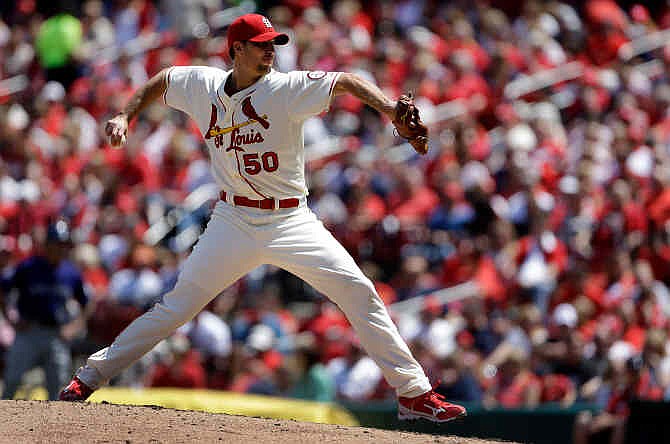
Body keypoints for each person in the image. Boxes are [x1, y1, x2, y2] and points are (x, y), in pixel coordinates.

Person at [59, 13, 466, 423]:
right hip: (232, 219)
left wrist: (389, 107)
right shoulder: (204, 85)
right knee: (174, 309)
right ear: (236, 49)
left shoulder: (285, 89)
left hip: (291, 220)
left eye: (274, 43)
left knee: (358, 291)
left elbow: (344, 81)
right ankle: (90, 377)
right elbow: (164, 79)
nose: (271, 50)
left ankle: (414, 393)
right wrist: (125, 115)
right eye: (262, 43)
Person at [1, 220, 89, 400]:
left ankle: (54, 428)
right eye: (57, 244)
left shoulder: (71, 273)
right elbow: (2, 289)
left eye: (64, 244)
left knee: (58, 387)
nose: (61, 249)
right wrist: (11, 320)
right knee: (12, 380)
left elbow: (86, 303)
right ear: (47, 245)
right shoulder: (28, 267)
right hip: (29, 332)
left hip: (56, 334)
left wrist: (75, 326)